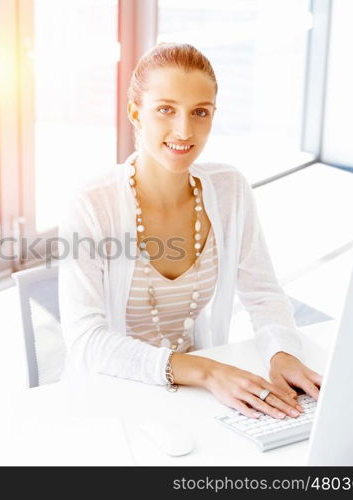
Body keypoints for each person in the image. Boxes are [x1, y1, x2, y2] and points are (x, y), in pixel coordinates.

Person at [57, 42, 322, 420]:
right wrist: (207, 371)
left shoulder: (229, 189)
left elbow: (263, 295)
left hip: (196, 396)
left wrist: (282, 352)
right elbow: (86, 343)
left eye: (200, 112)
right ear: (136, 112)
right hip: (113, 397)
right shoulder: (90, 202)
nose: (184, 130)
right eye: (166, 109)